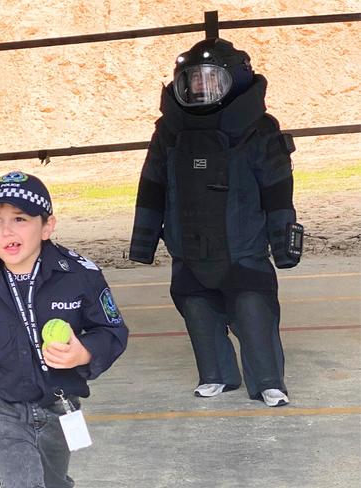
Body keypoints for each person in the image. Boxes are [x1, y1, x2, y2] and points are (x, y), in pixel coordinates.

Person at [129, 37, 303, 407]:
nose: (201, 89)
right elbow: (152, 186)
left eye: (212, 80)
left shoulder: (259, 129)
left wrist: (285, 244)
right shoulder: (168, 132)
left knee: (254, 309)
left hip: (243, 250)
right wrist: (141, 244)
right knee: (196, 307)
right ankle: (217, 375)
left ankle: (269, 381)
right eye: (193, 81)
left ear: (235, 81)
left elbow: (277, 191)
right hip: (188, 249)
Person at [0, 171, 128, 487]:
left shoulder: (79, 274)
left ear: (47, 226)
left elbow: (112, 330)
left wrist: (83, 352)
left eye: (20, 218)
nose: (6, 230)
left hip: (57, 402)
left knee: (53, 482)